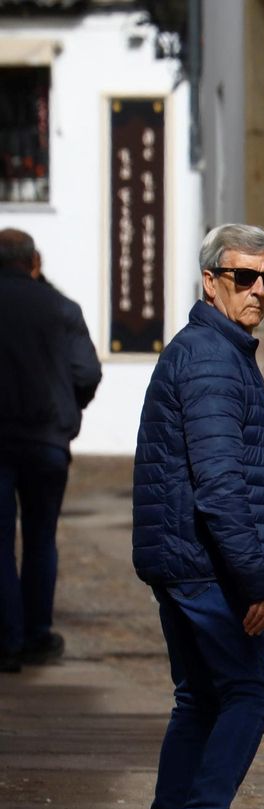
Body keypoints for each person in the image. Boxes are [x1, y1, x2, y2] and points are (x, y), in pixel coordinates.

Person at [131, 224, 264, 809]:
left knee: (198, 699)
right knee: (251, 694)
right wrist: (254, 576)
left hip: (183, 558)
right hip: (205, 565)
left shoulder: (209, 350)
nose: (257, 290)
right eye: (242, 276)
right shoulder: (215, 359)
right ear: (210, 280)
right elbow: (219, 482)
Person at [0, 228, 101, 672]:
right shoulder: (62, 308)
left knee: (1, 542)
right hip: (46, 443)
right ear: (33, 261)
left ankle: (7, 640)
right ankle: (37, 634)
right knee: (41, 538)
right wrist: (66, 410)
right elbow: (87, 372)